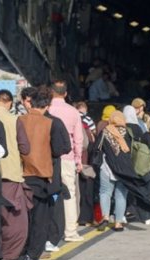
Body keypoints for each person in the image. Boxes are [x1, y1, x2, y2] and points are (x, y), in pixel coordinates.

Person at [18, 86, 67, 260]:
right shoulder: (52, 123)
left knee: (23, 217)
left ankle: (20, 251)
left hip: (22, 174)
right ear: (47, 105)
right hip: (43, 176)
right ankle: (34, 254)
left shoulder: (20, 120)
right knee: (41, 218)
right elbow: (62, 148)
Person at [0, 90, 32, 260]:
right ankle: (8, 258)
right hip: (10, 174)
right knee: (15, 220)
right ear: (9, 103)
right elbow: (25, 147)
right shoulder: (15, 120)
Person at [49, 80, 84, 242]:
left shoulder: (46, 109)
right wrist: (78, 159)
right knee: (69, 193)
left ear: (51, 92)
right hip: (67, 157)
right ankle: (70, 231)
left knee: (48, 193)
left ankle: (50, 230)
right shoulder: (73, 112)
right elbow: (78, 139)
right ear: (66, 93)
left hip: (48, 157)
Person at [96, 111, 130, 231]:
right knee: (121, 195)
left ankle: (105, 216)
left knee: (105, 192)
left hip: (107, 167)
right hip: (124, 169)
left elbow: (97, 148)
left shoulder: (105, 132)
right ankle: (118, 222)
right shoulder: (128, 133)